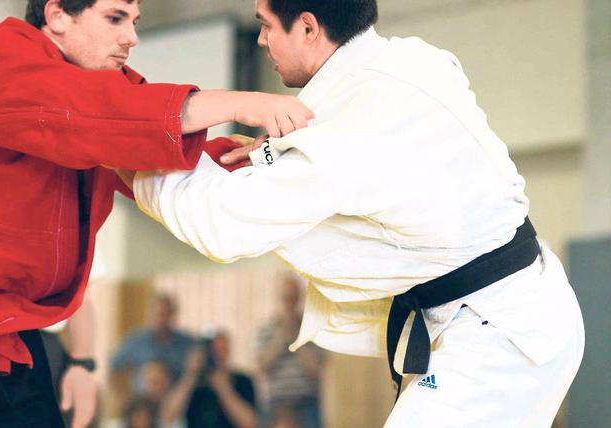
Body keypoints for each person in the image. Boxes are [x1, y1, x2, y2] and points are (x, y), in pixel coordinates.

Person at [0, 0, 313, 427]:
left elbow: (168, 161)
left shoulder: (97, 96)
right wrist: (246, 102)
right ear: (57, 15)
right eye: (114, 19)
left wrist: (268, 158)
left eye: (134, 21)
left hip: (5, 328)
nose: (131, 37)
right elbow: (100, 112)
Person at [118, 0, 585, 426]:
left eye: (266, 25)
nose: (260, 40)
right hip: (520, 307)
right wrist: (272, 153)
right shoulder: (410, 59)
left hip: (502, 335)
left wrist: (125, 151)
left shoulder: (347, 133)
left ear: (307, 28)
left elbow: (222, 225)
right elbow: (358, 146)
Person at [255, 275, 323, 428]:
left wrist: (296, 341)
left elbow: (317, 370)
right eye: (286, 298)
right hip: (276, 402)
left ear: (300, 299)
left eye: (293, 298)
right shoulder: (265, 330)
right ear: (279, 299)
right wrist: (280, 340)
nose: (290, 304)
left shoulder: (312, 330)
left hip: (306, 401)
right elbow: (261, 366)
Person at [160, 332, 256, 428]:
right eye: (212, 350)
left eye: (221, 350)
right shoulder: (192, 383)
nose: (216, 355)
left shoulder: (242, 380)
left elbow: (249, 422)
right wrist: (190, 376)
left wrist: (224, 389)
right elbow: (168, 417)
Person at [111, 294, 195, 393]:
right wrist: (121, 396)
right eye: (159, 314)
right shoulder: (136, 341)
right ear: (150, 315)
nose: (162, 320)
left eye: (166, 314)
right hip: (142, 398)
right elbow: (114, 368)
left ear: (173, 315)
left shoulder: (187, 344)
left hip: (176, 398)